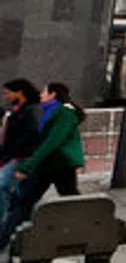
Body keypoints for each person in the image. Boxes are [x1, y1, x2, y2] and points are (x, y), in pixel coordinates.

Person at [0, 82, 85, 249]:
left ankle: (85, 228)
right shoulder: (50, 111)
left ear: (53, 95)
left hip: (60, 164)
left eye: (45, 92)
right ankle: (8, 237)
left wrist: (27, 166)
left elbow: (51, 142)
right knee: (26, 200)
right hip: (48, 164)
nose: (41, 95)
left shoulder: (65, 113)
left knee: (70, 198)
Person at [0, 80, 42, 227]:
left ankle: (6, 221)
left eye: (8, 93)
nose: (6, 96)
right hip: (15, 155)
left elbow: (33, 135)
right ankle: (16, 220)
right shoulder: (18, 109)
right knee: (17, 191)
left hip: (22, 156)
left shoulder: (32, 110)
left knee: (4, 186)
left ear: (19, 92)